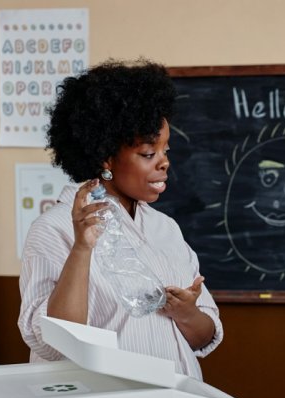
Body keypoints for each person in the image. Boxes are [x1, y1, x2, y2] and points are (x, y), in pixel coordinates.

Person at [18, 60, 223, 381]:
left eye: (165, 150)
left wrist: (187, 313)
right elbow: (55, 345)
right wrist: (82, 250)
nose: (164, 163)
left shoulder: (165, 228)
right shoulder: (53, 229)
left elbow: (203, 336)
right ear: (105, 156)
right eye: (147, 153)